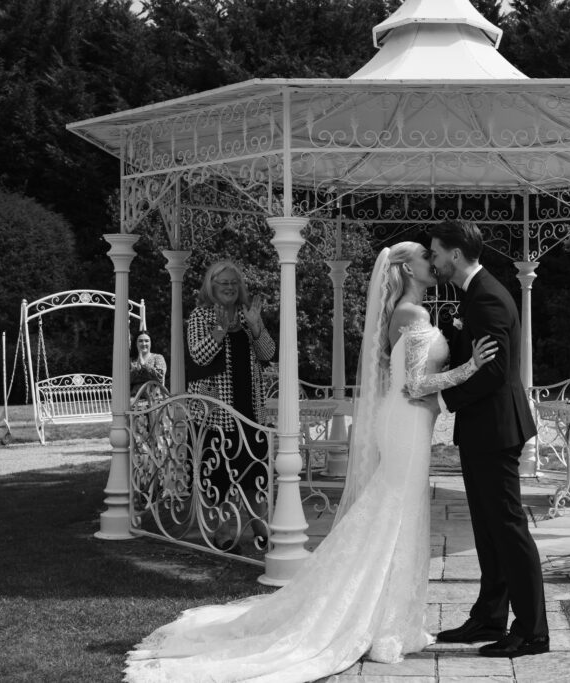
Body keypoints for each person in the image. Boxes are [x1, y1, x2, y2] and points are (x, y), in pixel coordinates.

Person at [124, 242, 497, 682]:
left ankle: (395, 620)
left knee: (400, 513)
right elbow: (415, 384)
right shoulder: (410, 315)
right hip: (403, 420)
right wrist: (469, 367)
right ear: (404, 267)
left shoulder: (411, 312)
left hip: (408, 422)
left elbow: (269, 353)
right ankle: (381, 621)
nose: (432, 262)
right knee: (395, 511)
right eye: (424, 256)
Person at [428, 220, 550, 659]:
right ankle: (489, 616)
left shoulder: (488, 298)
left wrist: (445, 395)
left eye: (436, 252)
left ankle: (533, 631)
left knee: (509, 529)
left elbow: (496, 372)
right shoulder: (473, 296)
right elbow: (474, 359)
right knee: (488, 527)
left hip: (497, 430)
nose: (433, 260)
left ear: (455, 254)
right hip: (483, 429)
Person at [185, 260, 277, 551]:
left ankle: (258, 525)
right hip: (215, 413)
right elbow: (198, 356)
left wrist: (256, 326)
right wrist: (219, 331)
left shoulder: (247, 314)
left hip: (250, 408)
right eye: (222, 282)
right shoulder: (201, 315)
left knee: (253, 473)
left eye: (233, 283)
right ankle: (223, 531)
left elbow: (268, 354)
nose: (228, 287)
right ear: (210, 287)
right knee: (220, 475)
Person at [129, 330, 167, 395]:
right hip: (134, 399)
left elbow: (160, 377)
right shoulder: (130, 360)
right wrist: (136, 371)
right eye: (140, 341)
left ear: (151, 343)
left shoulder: (158, 358)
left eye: (146, 341)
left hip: (155, 399)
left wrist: (144, 365)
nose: (144, 344)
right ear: (136, 343)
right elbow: (124, 381)